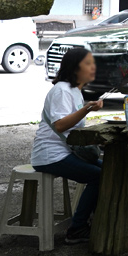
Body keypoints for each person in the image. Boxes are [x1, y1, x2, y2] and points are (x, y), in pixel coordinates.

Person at [31, 47, 104, 244]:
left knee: (108, 169)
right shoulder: (62, 90)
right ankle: (77, 228)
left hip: (64, 151)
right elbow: (61, 124)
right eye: (87, 63)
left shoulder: (74, 91)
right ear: (75, 68)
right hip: (50, 155)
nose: (92, 67)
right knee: (99, 176)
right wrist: (88, 108)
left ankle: (94, 219)